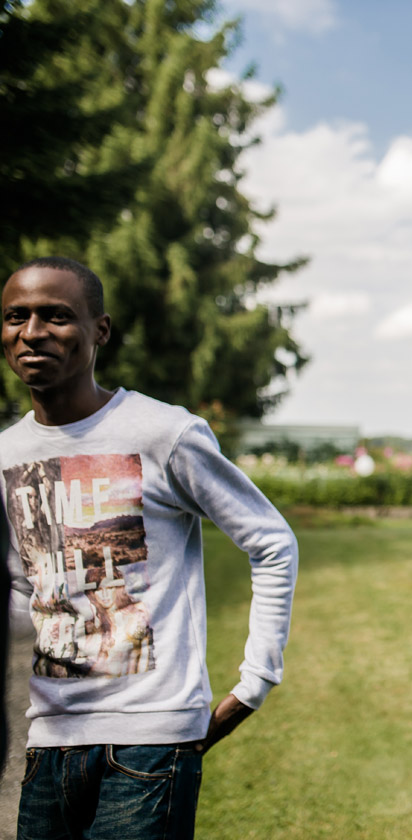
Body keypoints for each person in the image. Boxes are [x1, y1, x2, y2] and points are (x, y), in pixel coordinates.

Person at [1, 256, 298, 839]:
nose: (32, 332)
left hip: (150, 743)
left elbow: (271, 542)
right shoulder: (7, 454)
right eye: (16, 316)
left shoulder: (164, 433)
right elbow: (22, 586)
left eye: (56, 316)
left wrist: (254, 682)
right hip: (49, 739)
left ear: (99, 330)